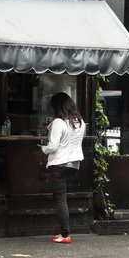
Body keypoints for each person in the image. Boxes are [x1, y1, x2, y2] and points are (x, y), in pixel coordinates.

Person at [41, 92, 86, 244]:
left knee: (61, 199)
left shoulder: (58, 122)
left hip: (59, 164)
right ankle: (63, 231)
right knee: (63, 198)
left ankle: (65, 234)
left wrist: (43, 149)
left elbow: (53, 147)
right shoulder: (80, 122)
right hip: (75, 165)